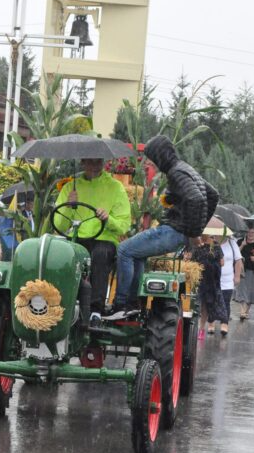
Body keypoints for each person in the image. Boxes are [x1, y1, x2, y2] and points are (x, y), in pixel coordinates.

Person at [113, 135, 218, 314]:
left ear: (161, 155)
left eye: (153, 159)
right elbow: (213, 195)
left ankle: (120, 304)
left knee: (124, 250)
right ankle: (132, 304)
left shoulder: (176, 172)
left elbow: (196, 198)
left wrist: (194, 232)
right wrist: (196, 226)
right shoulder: (186, 168)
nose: (152, 163)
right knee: (136, 255)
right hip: (179, 232)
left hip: (173, 231)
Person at [54, 157, 131, 318]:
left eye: (98, 162)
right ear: (82, 163)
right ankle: (58, 303)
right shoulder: (70, 187)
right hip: (76, 239)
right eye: (90, 162)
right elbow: (59, 224)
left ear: (103, 163)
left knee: (100, 253)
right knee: (60, 254)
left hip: (104, 239)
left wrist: (107, 219)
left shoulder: (115, 187)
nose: (95, 166)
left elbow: (124, 225)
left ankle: (95, 309)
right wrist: (69, 206)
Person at [191, 235, 226, 339]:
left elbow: (222, 262)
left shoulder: (216, 247)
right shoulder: (197, 247)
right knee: (198, 305)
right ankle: (196, 329)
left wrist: (211, 263)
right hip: (199, 279)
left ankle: (201, 329)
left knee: (205, 306)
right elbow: (192, 262)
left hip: (211, 281)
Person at [233, 227, 254, 321]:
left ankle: (246, 311)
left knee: (251, 291)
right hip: (242, 269)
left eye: (252, 232)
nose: (250, 234)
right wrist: (242, 245)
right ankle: (242, 311)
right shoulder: (240, 241)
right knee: (242, 290)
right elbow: (235, 254)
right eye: (249, 232)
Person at [218, 230, 243, 324]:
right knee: (211, 302)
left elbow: (238, 260)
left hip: (227, 280)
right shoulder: (210, 241)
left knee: (226, 301)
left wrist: (237, 276)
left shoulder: (232, 243)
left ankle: (224, 323)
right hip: (213, 279)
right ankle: (211, 323)